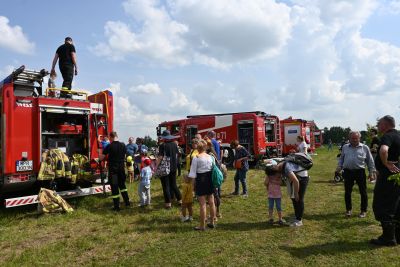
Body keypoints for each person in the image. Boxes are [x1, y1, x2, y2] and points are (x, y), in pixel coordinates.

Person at [371, 115, 400, 246]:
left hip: (388, 176)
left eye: (379, 124)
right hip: (397, 176)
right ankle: (396, 235)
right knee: (396, 204)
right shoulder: (398, 135)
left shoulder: (388, 136)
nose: (378, 127)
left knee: (382, 205)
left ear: (385, 124)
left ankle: (388, 238)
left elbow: (383, 151)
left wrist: (386, 164)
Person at [336, 131, 376, 218]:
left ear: (359, 138)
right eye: (352, 138)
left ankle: (363, 211)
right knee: (347, 192)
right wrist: (339, 167)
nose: (354, 140)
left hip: (360, 172)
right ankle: (348, 210)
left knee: (363, 192)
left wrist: (371, 172)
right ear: (349, 138)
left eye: (356, 138)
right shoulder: (345, 147)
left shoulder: (365, 148)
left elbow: (370, 161)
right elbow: (342, 158)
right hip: (348, 172)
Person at [270, 157, 310, 227]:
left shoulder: (286, 168)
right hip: (297, 177)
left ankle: (299, 220)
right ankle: (296, 217)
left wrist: (296, 193)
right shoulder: (279, 164)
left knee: (299, 199)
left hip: (302, 178)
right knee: (294, 198)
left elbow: (296, 181)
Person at [188, 139, 216, 230]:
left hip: (201, 179)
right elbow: (213, 169)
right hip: (209, 179)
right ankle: (212, 222)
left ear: (198, 148)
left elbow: (192, 174)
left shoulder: (196, 158)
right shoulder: (210, 157)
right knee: (211, 202)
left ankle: (202, 225)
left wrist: (192, 187)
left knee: (203, 204)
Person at [100, 131, 130, 211]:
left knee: (114, 188)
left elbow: (101, 158)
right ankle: (127, 202)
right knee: (123, 186)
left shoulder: (109, 146)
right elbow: (126, 155)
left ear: (111, 137)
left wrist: (99, 152)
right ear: (117, 136)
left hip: (113, 171)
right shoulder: (123, 145)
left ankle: (117, 207)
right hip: (121, 169)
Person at [156, 130, 182, 209]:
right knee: (173, 184)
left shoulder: (162, 145)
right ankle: (180, 200)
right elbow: (177, 155)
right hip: (173, 167)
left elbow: (160, 157)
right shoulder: (174, 144)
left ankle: (168, 203)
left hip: (165, 168)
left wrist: (156, 166)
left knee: (165, 186)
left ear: (164, 138)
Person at [264, 159, 284, 225]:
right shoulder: (276, 175)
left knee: (272, 206)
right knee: (277, 207)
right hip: (275, 193)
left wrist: (271, 181)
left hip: (273, 193)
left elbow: (266, 183)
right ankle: (278, 219)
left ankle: (273, 218)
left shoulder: (275, 175)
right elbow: (280, 182)